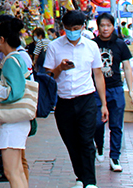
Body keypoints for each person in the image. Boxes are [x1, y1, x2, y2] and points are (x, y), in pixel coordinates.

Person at [44, 10, 108, 188]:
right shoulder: (54, 47)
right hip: (63, 101)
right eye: (68, 28)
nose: (72, 31)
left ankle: (90, 181)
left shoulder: (91, 46)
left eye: (76, 28)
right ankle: (80, 177)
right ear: (63, 28)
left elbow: (98, 74)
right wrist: (60, 68)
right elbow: (48, 75)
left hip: (86, 99)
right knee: (71, 142)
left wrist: (103, 104)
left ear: (82, 28)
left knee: (86, 140)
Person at [0, 15, 32, 188]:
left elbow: (14, 92)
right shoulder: (18, 58)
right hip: (17, 122)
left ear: (2, 39)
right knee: (16, 170)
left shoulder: (10, 61)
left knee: (11, 172)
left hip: (12, 123)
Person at [93, 13, 133, 172]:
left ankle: (114, 157)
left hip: (116, 88)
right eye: (102, 26)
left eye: (108, 25)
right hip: (96, 90)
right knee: (97, 122)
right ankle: (99, 147)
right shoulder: (92, 45)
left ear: (113, 26)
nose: (105, 29)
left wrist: (131, 90)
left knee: (116, 125)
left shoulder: (120, 44)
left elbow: (127, 67)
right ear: (98, 27)